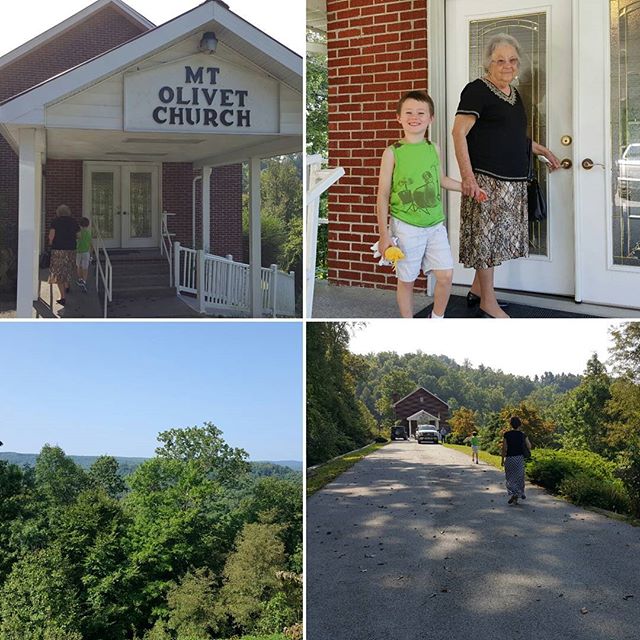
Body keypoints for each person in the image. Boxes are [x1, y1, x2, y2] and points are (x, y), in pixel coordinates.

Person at [452, 33, 561, 318]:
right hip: (486, 180)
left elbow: (512, 137)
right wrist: (468, 178)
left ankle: (477, 291)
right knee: (487, 244)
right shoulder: (476, 89)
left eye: (512, 60)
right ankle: (489, 301)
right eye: (500, 60)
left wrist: (542, 150)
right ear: (488, 62)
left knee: (497, 242)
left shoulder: (515, 95)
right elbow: (459, 133)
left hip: (512, 182)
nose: (507, 65)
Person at [377, 90, 487, 318]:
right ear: (398, 117)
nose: (414, 117)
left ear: (430, 118)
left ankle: (436, 318)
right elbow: (383, 194)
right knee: (406, 279)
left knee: (446, 275)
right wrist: (384, 235)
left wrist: (469, 188)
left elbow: (442, 181)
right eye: (408, 112)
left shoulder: (433, 148)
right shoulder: (392, 152)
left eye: (420, 112)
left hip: (435, 225)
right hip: (406, 226)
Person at [48, 204, 79, 306]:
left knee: (58, 272)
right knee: (68, 268)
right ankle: (67, 286)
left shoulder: (55, 222)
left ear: (58, 212)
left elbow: (52, 235)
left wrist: (50, 242)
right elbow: (78, 235)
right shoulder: (74, 221)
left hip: (58, 249)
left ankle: (63, 297)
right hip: (71, 249)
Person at [501, 416, 531, 505]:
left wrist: (502, 460)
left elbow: (504, 448)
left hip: (510, 458)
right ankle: (519, 493)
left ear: (511, 424)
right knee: (519, 477)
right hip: (519, 459)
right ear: (520, 425)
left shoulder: (507, 434)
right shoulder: (523, 435)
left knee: (510, 478)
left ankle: (514, 494)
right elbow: (529, 446)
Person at [75, 217, 92, 292]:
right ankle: (84, 280)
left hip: (79, 251)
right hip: (86, 252)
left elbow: (77, 239)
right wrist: (91, 254)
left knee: (79, 266)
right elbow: (90, 244)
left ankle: (80, 278)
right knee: (85, 267)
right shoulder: (88, 233)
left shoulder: (79, 232)